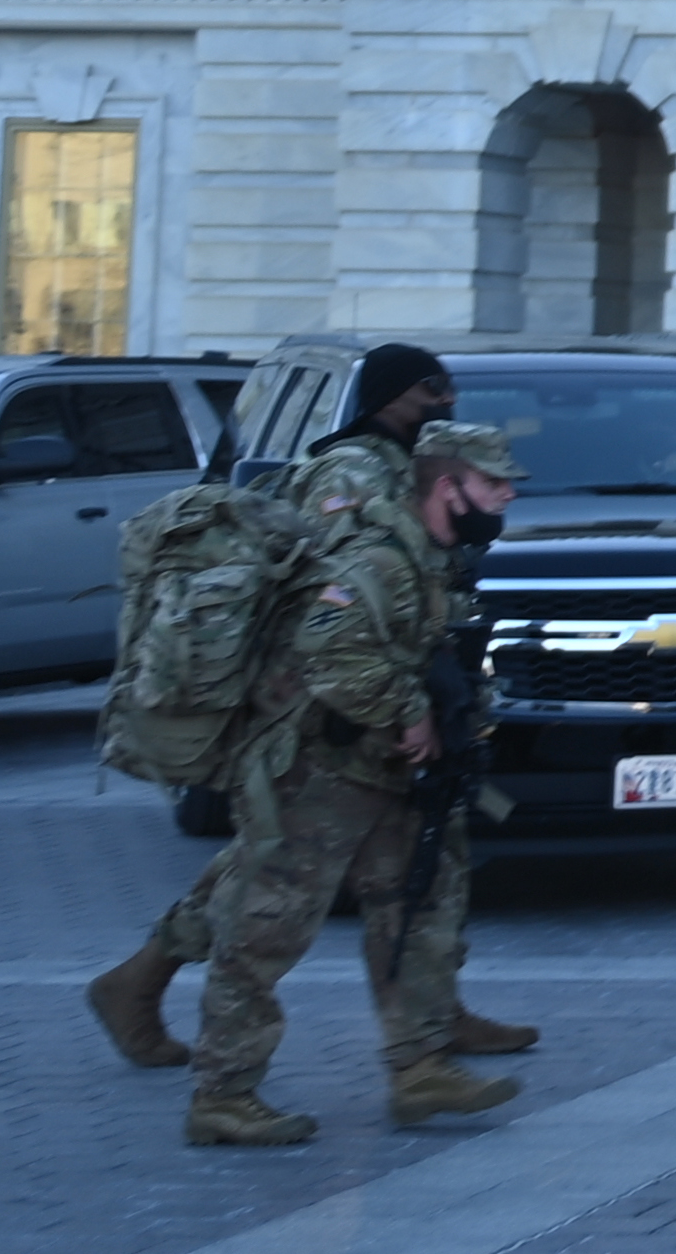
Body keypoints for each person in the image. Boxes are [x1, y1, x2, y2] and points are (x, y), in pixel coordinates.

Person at [91, 341, 533, 1078]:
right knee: (273, 882)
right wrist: (394, 698)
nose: (447, 401)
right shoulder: (351, 471)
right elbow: (337, 607)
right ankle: (149, 991)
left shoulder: (400, 467)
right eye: (434, 390)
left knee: (425, 864)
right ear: (394, 396)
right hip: (325, 715)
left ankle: (428, 1022)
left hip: (387, 703)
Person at [179, 417, 527, 1147]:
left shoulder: (431, 557)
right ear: (447, 484)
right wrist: (407, 713)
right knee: (266, 928)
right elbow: (328, 651)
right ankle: (223, 1093)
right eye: (493, 485)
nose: (504, 501)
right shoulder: (376, 556)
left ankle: (420, 1067)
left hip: (383, 774)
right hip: (317, 775)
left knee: (416, 913)